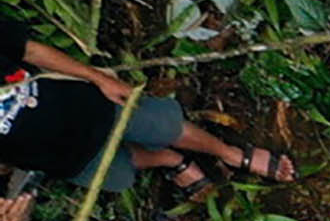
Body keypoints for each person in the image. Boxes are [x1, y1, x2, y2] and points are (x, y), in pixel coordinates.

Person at [3, 13, 293, 190]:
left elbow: (31, 52)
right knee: (120, 169)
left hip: (84, 105)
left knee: (164, 126)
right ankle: (170, 159)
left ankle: (228, 152)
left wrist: (99, 78)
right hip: (56, 156)